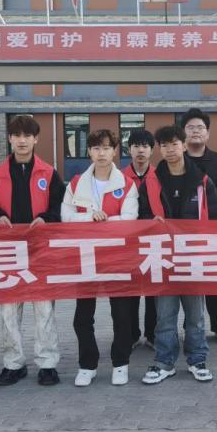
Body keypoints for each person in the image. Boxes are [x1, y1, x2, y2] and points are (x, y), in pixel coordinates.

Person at [0, 114, 66, 387]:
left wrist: (46, 219)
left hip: (40, 251)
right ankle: (13, 364)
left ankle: (48, 364)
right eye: (17, 135)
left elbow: (60, 207)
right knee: (8, 311)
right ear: (9, 139)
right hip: (7, 252)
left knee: (44, 310)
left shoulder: (49, 173)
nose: (22, 141)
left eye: (27, 135)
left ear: (36, 139)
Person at [137, 125, 217, 385]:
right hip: (162, 256)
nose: (169, 149)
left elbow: (216, 219)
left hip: (193, 256)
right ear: (159, 149)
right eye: (164, 145)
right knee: (165, 315)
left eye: (174, 143)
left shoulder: (203, 181)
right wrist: (150, 222)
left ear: (184, 145)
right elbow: (140, 216)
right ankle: (164, 361)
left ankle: (197, 359)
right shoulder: (151, 182)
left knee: (195, 316)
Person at [61, 129, 139, 386]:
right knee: (82, 316)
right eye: (96, 148)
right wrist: (89, 217)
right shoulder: (76, 184)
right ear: (89, 152)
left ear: (115, 151)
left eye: (106, 148)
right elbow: (66, 217)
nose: (101, 153)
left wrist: (104, 221)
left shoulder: (126, 184)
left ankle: (121, 363)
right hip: (86, 257)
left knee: (122, 314)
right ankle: (87, 364)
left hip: (117, 258)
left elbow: (130, 219)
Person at [181, 108, 217, 344]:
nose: (196, 132)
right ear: (183, 132)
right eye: (190, 128)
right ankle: (191, 326)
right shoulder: (175, 162)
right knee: (189, 281)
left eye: (200, 128)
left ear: (207, 133)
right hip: (184, 235)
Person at [122, 128, 157, 350]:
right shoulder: (119, 177)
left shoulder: (160, 176)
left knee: (154, 291)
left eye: (145, 146)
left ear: (152, 150)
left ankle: (152, 334)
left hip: (154, 243)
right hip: (127, 244)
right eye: (136, 146)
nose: (141, 151)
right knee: (130, 291)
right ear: (129, 150)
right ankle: (132, 334)